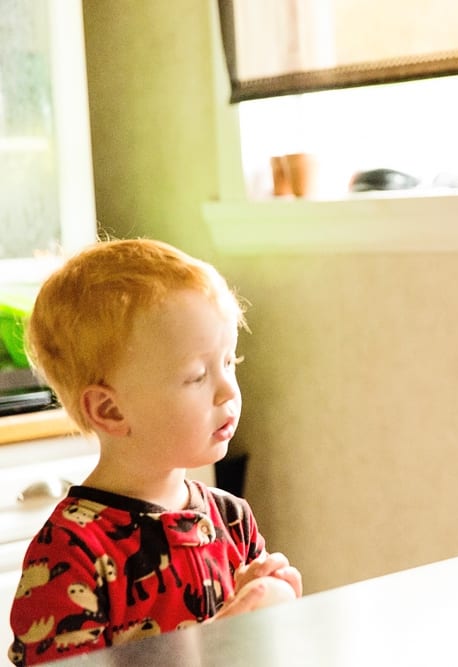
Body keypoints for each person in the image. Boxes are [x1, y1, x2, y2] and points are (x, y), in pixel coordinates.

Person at [8, 239, 302, 665]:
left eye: (229, 362)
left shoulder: (231, 518)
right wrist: (215, 640)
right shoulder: (72, 552)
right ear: (110, 410)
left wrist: (273, 595)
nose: (228, 391)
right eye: (197, 376)